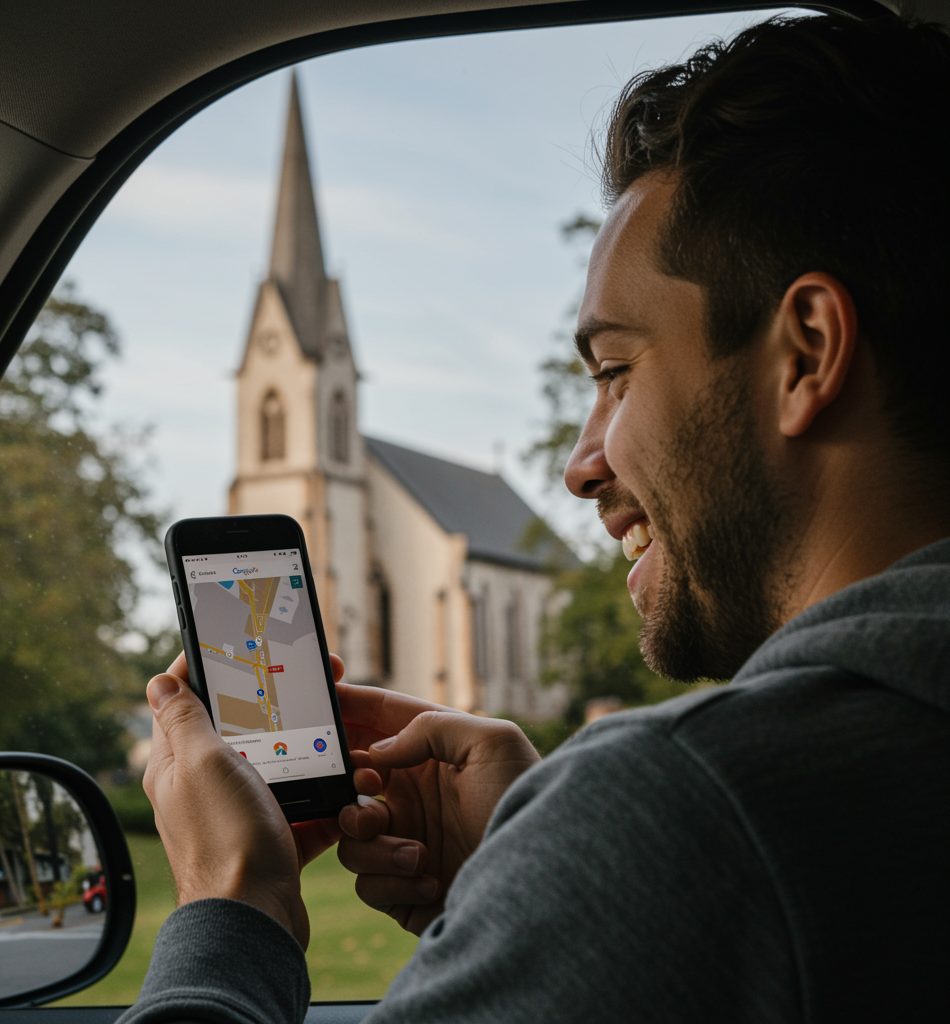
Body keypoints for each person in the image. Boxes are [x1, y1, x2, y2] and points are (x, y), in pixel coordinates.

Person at [119, 12, 950, 1023]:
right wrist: (532, 867)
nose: (577, 465)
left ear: (806, 352)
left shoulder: (683, 810)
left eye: (614, 373)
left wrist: (230, 907)